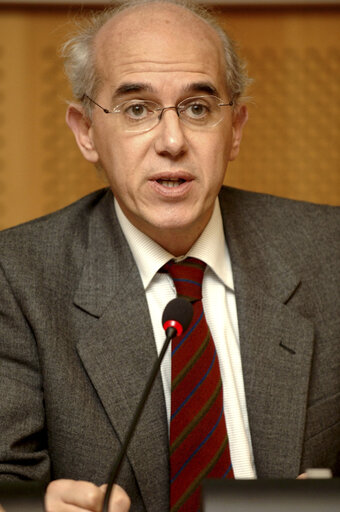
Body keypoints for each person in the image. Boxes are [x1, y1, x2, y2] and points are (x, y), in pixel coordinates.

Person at [0, 0, 339, 511]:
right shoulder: (18, 275)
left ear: (236, 130)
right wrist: (33, 506)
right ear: (86, 130)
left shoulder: (329, 251)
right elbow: (8, 484)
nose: (173, 141)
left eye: (198, 109)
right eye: (137, 109)